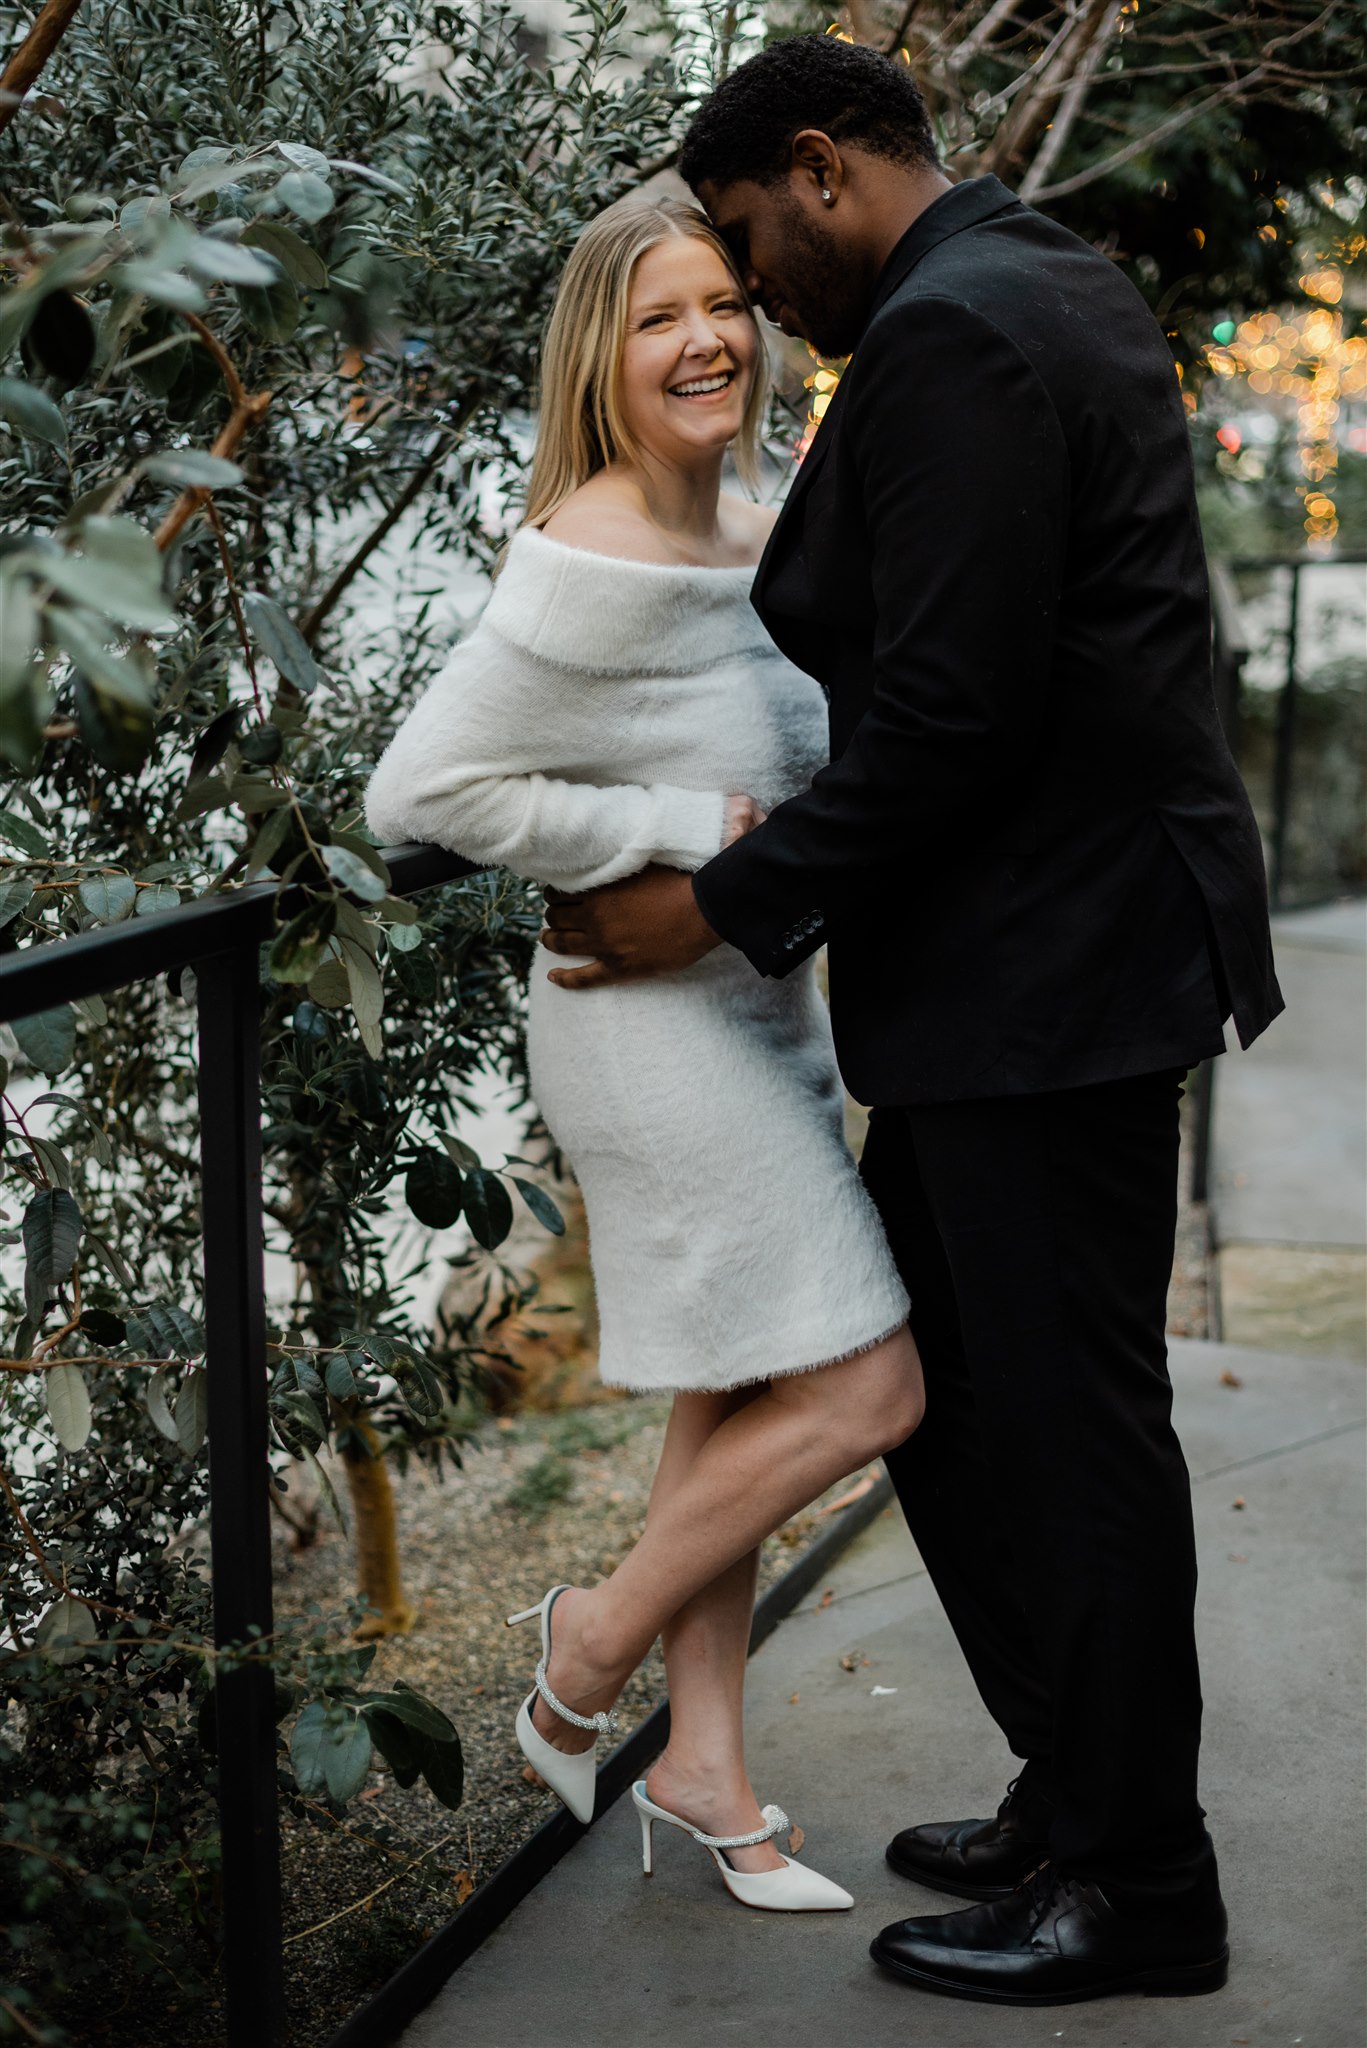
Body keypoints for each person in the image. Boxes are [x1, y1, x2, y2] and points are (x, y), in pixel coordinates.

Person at [536, 34, 1283, 2007]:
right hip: (1061, 962)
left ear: (813, 165)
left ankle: (1143, 1885)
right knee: (941, 1396)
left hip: (1051, 982)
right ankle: (1085, 1783)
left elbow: (953, 716)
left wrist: (708, 907)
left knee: (1069, 1430)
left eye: (749, 242)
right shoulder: (1045, 273)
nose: (754, 287)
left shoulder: (957, 336)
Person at [365, 194, 924, 1914]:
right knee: (867, 1386)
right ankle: (584, 1646)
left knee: (735, 1387)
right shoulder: (588, 556)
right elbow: (418, 797)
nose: (705, 343)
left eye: (725, 308)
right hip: (643, 1030)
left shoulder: (760, 529)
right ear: (598, 361)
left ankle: (702, 1768)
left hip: (753, 1008)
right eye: (657, 318)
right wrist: (665, 824)